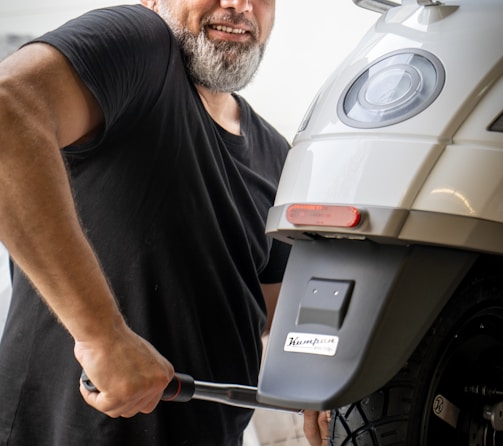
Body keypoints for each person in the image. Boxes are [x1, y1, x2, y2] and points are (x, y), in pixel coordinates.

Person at [0, 1, 294, 444]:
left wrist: (318, 388)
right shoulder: (141, 43)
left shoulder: (279, 154)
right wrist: (103, 338)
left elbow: (278, 317)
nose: (239, 5)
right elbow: (8, 112)